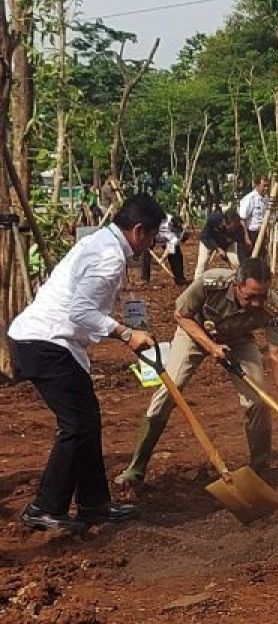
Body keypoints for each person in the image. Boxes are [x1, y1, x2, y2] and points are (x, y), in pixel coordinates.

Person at [7, 194, 164, 532]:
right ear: (138, 231)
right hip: (45, 342)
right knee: (77, 424)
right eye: (152, 237)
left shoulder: (101, 242)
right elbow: (81, 311)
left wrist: (126, 333)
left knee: (87, 421)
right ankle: (44, 508)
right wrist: (124, 333)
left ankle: (94, 504)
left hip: (47, 341)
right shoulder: (108, 257)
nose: (151, 245)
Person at [115, 258, 278, 487]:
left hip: (238, 340)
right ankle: (136, 468)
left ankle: (260, 470)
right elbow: (181, 315)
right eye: (250, 296)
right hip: (194, 333)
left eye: (261, 296)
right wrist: (211, 347)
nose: (256, 303)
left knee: (257, 401)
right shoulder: (211, 282)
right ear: (236, 285)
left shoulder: (272, 306)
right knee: (168, 392)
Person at [141, 214, 188, 286]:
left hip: (166, 240)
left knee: (176, 254)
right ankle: (145, 279)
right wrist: (146, 238)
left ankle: (179, 278)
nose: (174, 231)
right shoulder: (160, 218)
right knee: (145, 252)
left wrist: (162, 259)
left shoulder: (178, 234)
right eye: (173, 229)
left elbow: (169, 249)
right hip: (153, 235)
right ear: (170, 224)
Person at [196, 209, 243, 275]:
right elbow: (206, 236)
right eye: (233, 227)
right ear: (226, 223)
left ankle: (237, 279)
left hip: (226, 244)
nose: (234, 229)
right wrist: (217, 248)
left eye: (236, 226)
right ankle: (197, 281)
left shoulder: (239, 229)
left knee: (236, 262)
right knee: (202, 262)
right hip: (208, 241)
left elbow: (240, 247)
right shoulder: (213, 219)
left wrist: (227, 258)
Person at [238, 175, 270, 261]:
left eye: (267, 186)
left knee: (260, 259)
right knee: (248, 261)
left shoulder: (266, 199)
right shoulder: (249, 199)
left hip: (260, 233)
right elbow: (242, 219)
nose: (266, 188)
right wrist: (246, 237)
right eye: (264, 186)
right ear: (257, 185)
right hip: (249, 233)